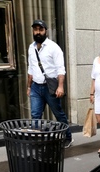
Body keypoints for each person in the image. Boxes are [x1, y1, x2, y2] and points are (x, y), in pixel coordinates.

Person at [27, 19, 72, 147]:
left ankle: (68, 137)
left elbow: (61, 69)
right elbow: (30, 68)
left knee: (58, 114)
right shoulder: (31, 48)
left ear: (45, 31)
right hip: (36, 86)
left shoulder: (54, 48)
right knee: (35, 115)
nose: (38, 32)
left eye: (40, 29)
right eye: (35, 29)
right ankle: (36, 140)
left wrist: (61, 87)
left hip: (50, 87)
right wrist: (28, 87)